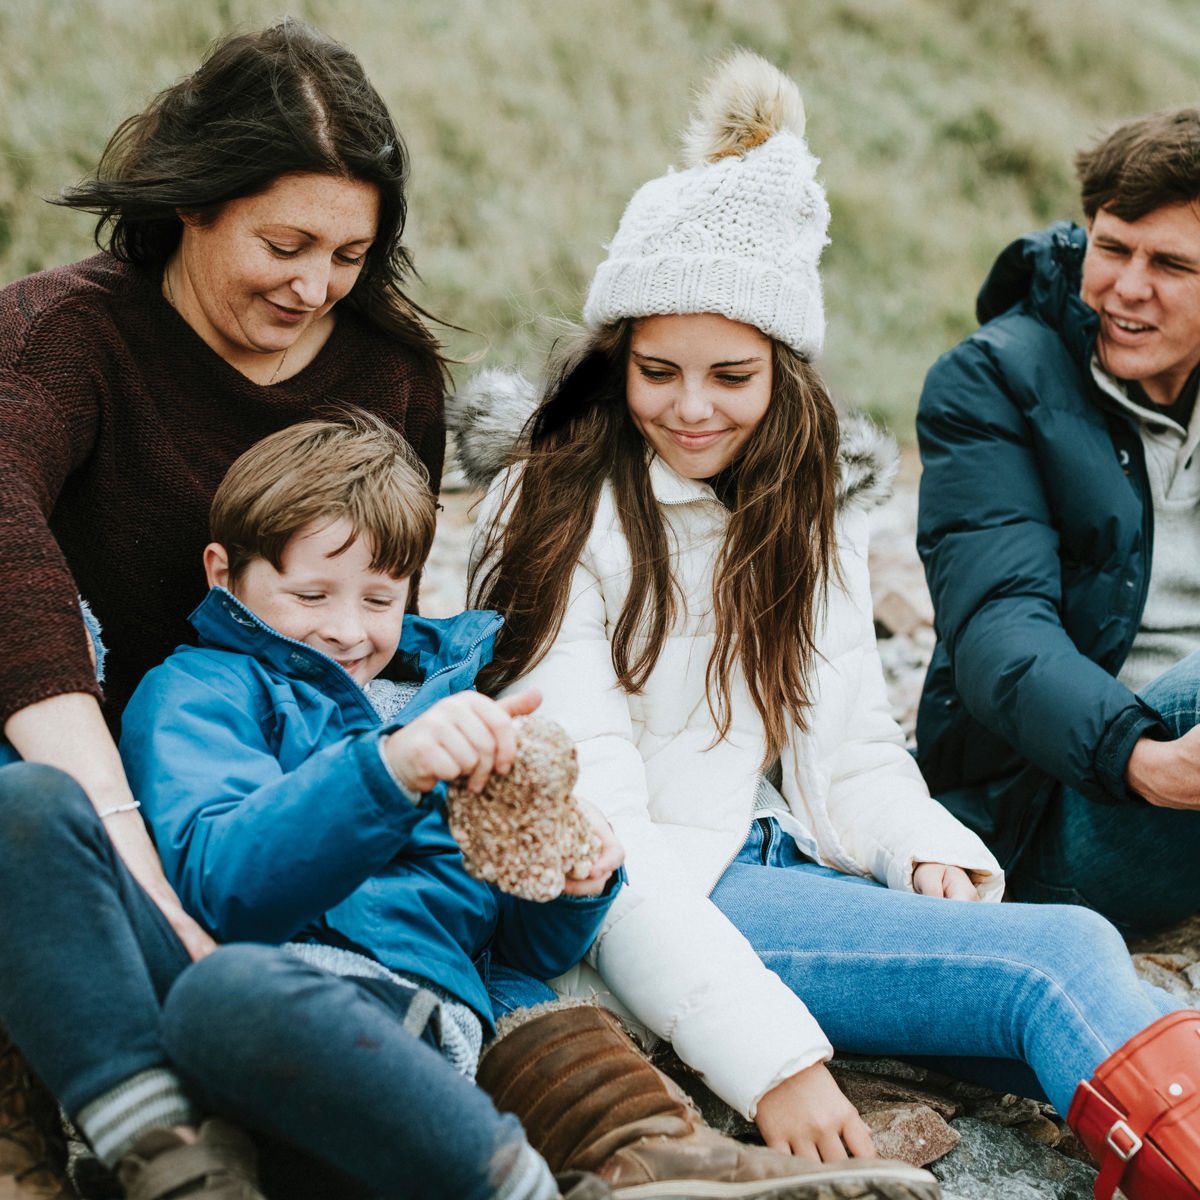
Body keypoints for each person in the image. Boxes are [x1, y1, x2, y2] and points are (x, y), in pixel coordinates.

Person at [455, 51, 1200, 1200]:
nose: (692, 408)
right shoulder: (550, 507)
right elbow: (591, 828)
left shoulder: (807, 501)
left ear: (785, 375)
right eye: (657, 371)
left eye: (731, 376)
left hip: (789, 863)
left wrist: (923, 846)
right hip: (666, 896)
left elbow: (848, 747)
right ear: (613, 362)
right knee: (1062, 953)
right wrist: (774, 1063)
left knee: (1050, 999)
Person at [0, 18, 444, 1195]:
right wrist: (122, 831)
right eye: (285, 243)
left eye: (347, 254)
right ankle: (136, 1136)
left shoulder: (391, 379)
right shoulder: (61, 337)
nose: (314, 288)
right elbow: (5, 552)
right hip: (59, 764)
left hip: (259, 799)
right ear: (192, 206)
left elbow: (376, 637)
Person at [914, 108, 1200, 938]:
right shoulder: (992, 381)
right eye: (1112, 248)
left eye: (1172, 264)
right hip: (1057, 809)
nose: (1127, 287)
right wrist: (1140, 761)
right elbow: (999, 629)